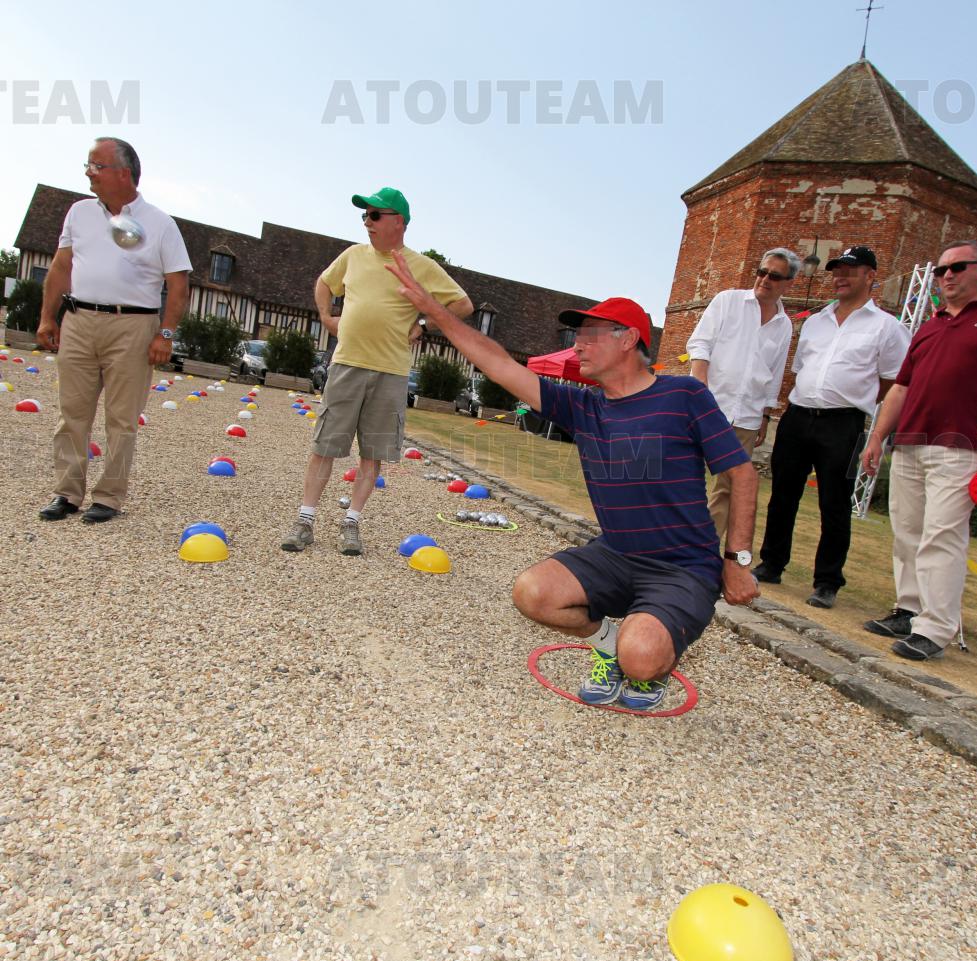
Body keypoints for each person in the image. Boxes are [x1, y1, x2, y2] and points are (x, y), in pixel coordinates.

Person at [387, 251, 759, 711]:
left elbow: (741, 472)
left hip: (683, 566)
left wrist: (736, 560)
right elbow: (498, 363)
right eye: (576, 336)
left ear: (628, 339)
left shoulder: (684, 395)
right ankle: (608, 645)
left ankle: (643, 663)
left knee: (641, 658)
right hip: (617, 554)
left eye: (589, 336)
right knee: (532, 593)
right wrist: (437, 312)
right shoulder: (583, 406)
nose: (577, 346)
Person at [280, 187, 473, 556]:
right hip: (347, 364)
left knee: (372, 453)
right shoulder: (353, 255)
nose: (366, 222)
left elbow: (463, 304)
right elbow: (324, 283)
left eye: (374, 215)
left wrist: (426, 325)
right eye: (364, 216)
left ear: (398, 222)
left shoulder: (421, 266)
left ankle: (351, 523)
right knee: (325, 447)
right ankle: (304, 521)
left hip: (390, 372)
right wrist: (325, 316)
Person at [36, 137, 191, 524]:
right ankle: (67, 493)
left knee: (122, 419)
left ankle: (109, 496)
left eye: (96, 166)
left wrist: (166, 334)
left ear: (124, 173)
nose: (89, 173)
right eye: (88, 166)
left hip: (133, 327)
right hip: (79, 320)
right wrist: (46, 317)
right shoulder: (79, 213)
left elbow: (178, 284)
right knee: (71, 413)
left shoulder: (160, 223)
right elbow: (60, 267)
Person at [861, 239, 977, 660]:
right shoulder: (930, 324)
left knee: (942, 535)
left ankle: (936, 628)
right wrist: (877, 436)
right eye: (941, 270)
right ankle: (908, 608)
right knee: (907, 531)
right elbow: (901, 386)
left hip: (963, 445)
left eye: (958, 267)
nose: (948, 276)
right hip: (910, 442)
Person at [753, 246, 910, 609]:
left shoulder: (887, 327)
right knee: (783, 496)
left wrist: (857, 398)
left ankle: (827, 581)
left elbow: (893, 381)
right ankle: (772, 563)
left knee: (834, 503)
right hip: (799, 415)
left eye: (850, 271)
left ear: (870, 276)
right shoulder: (816, 321)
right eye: (837, 270)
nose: (840, 276)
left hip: (843, 422)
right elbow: (800, 369)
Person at [686, 248, 799, 545]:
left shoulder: (785, 324)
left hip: (746, 416)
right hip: (707, 407)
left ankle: (702, 548)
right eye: (761, 272)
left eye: (774, 276)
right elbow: (699, 345)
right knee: (682, 475)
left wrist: (765, 416)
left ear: (788, 282)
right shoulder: (728, 301)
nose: (764, 279)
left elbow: (775, 374)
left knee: (728, 487)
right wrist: (700, 392)